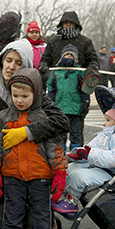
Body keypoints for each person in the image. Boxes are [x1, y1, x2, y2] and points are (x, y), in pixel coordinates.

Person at [0, 39, 69, 229]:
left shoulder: (37, 97)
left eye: (18, 62)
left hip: (35, 175)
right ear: (0, 62)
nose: (12, 66)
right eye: (8, 60)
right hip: (2, 175)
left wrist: (27, 132)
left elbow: (61, 122)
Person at [0, 68, 67, 229]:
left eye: (24, 96)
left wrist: (60, 172)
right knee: (12, 217)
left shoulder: (44, 118)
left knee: (41, 218)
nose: (19, 100)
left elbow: (55, 148)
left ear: (35, 94)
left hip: (40, 177)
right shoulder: (4, 117)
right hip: (12, 176)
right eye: (15, 96)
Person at [52, 104, 115, 214]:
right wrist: (80, 153)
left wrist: (90, 154)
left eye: (108, 120)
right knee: (68, 169)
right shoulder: (106, 135)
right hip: (97, 166)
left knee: (79, 176)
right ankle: (66, 195)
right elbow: (91, 147)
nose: (104, 123)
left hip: (112, 174)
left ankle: (71, 203)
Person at [38, 11, 98, 143]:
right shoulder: (54, 42)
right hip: (58, 86)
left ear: (76, 25)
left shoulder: (85, 42)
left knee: (77, 130)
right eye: (66, 23)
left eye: (71, 23)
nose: (68, 26)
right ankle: (59, 154)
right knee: (58, 129)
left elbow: (93, 60)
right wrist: (44, 68)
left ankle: (77, 153)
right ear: (61, 25)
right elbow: (45, 60)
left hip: (77, 89)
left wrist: (92, 69)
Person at [47, 45, 90, 151]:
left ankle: (76, 154)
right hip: (59, 109)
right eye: (67, 54)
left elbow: (84, 90)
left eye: (72, 55)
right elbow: (51, 90)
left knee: (76, 135)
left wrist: (85, 102)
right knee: (60, 136)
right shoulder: (55, 72)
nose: (69, 56)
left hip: (75, 109)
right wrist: (49, 103)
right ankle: (60, 155)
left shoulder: (79, 72)